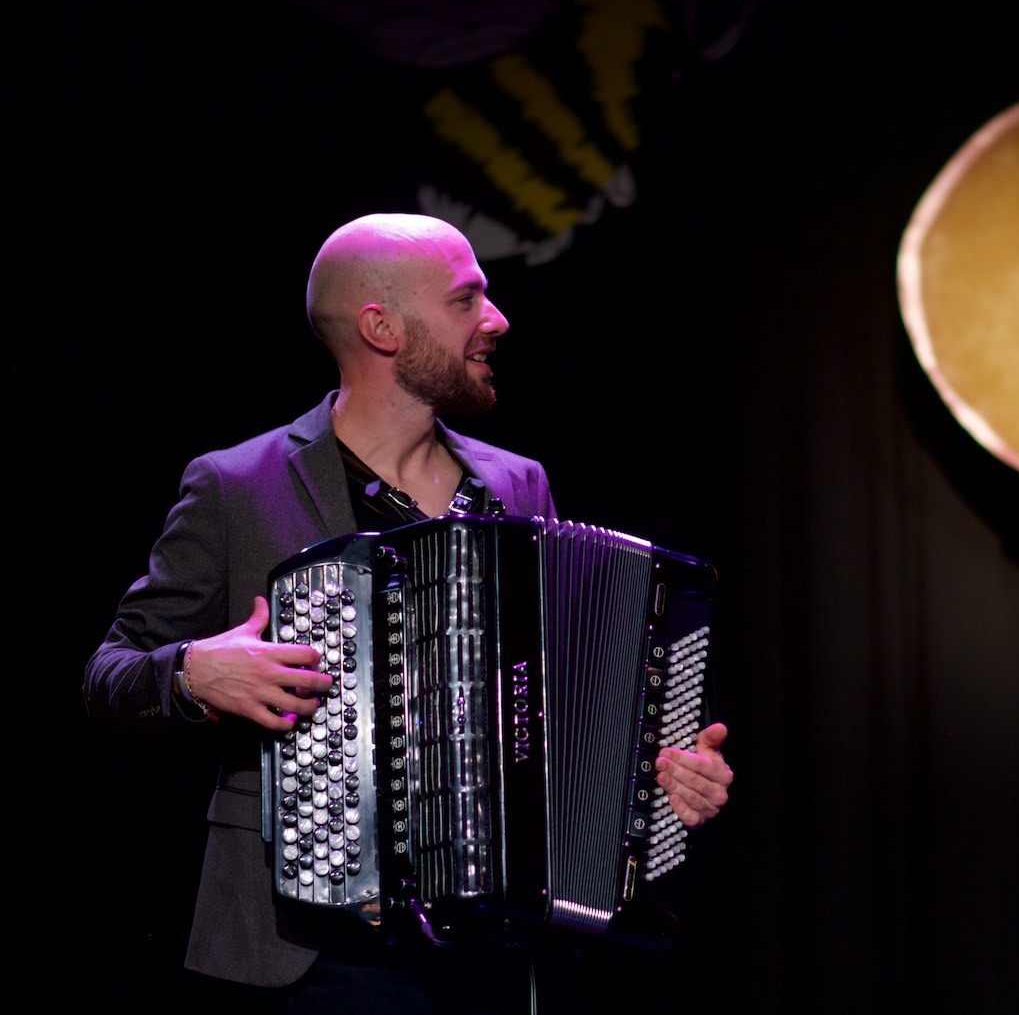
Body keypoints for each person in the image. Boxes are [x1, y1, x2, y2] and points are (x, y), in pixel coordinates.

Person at [83, 212, 733, 1013]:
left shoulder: (516, 484)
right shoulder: (237, 484)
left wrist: (657, 778)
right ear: (381, 328)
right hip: (310, 950)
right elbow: (108, 679)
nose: (497, 320)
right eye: (466, 300)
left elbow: (566, 703)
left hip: (494, 943)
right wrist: (192, 674)